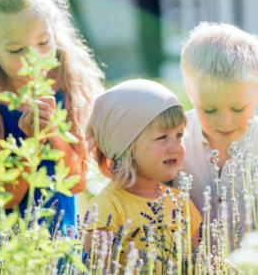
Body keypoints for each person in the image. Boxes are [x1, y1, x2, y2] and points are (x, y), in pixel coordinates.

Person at [0, 0, 103, 245]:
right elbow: (7, 198)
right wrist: (31, 142)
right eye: (16, 49)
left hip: (56, 240)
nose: (33, 57)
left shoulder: (66, 85)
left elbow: (77, 181)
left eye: (44, 43)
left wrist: (53, 134)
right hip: (2, 246)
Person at [84, 79, 201, 269]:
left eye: (179, 135)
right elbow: (96, 268)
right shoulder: (107, 209)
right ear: (126, 147)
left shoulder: (181, 204)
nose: (175, 147)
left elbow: (199, 265)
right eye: (162, 137)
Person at [178, 22, 258, 236]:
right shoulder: (176, 141)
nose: (225, 121)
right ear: (190, 92)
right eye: (210, 109)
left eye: (237, 108)